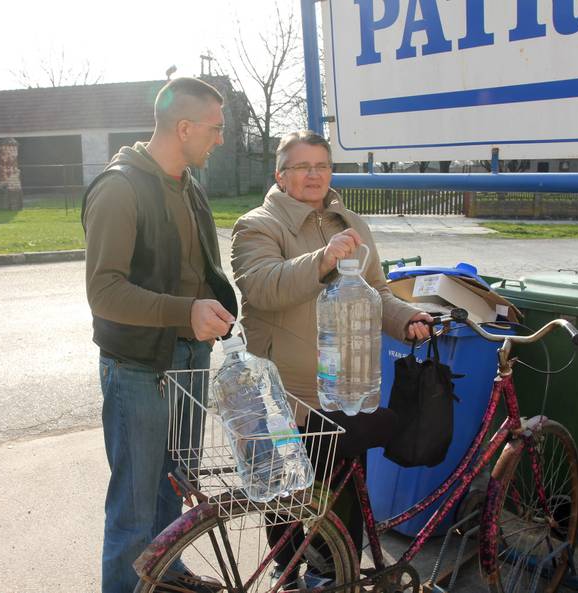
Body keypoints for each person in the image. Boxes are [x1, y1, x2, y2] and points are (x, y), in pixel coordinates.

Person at [230, 130, 432, 587]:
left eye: (322, 166)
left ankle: (331, 575)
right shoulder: (258, 225)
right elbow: (264, 286)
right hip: (285, 392)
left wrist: (405, 318)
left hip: (344, 386)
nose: (314, 175)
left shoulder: (350, 223)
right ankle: (289, 570)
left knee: (338, 488)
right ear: (280, 174)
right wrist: (323, 260)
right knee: (286, 491)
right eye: (302, 167)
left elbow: (377, 290)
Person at [82, 77, 237, 593]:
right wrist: (184, 311)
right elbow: (104, 292)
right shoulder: (119, 188)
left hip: (189, 359)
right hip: (137, 370)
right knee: (134, 506)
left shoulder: (188, 183)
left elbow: (195, 270)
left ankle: (167, 577)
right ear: (184, 127)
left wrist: (215, 310)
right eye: (214, 129)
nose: (220, 139)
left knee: (175, 487)